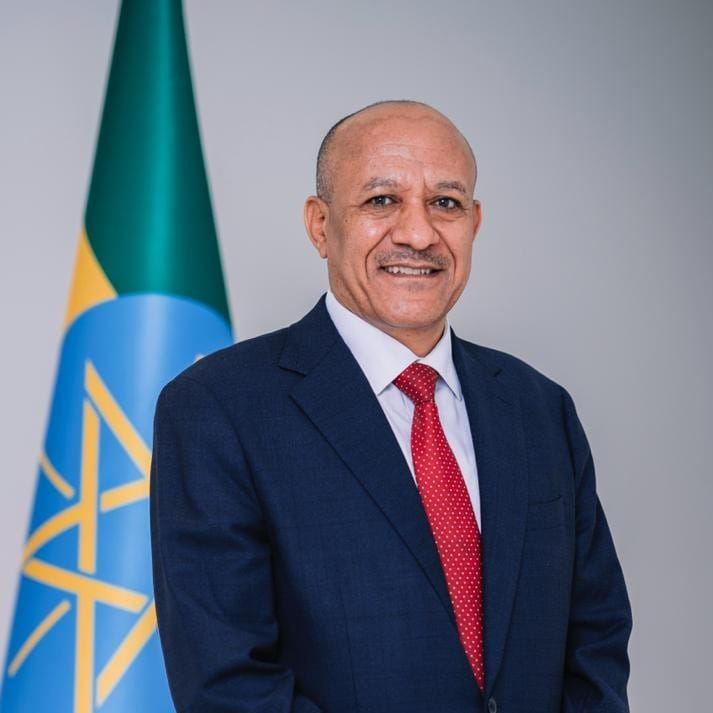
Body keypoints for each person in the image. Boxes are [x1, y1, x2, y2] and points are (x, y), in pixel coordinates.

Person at [150, 100, 632, 713]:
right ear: (320, 225)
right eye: (382, 200)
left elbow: (596, 640)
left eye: (445, 203)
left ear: (474, 222)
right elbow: (228, 682)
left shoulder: (540, 409)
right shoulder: (218, 410)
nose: (419, 234)